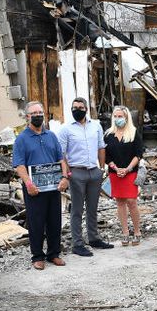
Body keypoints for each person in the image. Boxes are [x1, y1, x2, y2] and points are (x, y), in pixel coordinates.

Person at [13, 101, 69, 270]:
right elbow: (19, 165)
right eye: (34, 113)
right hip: (34, 188)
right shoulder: (21, 139)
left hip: (53, 186)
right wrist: (28, 183)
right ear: (27, 116)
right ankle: (37, 256)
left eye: (40, 112)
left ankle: (54, 253)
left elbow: (61, 159)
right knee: (36, 222)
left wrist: (65, 177)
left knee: (54, 220)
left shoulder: (51, 136)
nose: (38, 115)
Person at [59, 96, 113, 257]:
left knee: (92, 208)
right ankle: (77, 243)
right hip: (76, 172)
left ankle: (94, 238)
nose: (77, 110)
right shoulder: (65, 129)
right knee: (77, 209)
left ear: (86, 109)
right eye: (74, 107)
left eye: (80, 108)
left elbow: (101, 147)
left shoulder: (95, 126)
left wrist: (101, 168)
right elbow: (61, 154)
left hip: (94, 172)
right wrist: (68, 173)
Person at [104, 105, 145, 246]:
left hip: (130, 172)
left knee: (132, 201)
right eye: (115, 116)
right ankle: (125, 232)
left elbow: (138, 154)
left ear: (126, 117)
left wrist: (127, 169)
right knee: (120, 202)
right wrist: (115, 168)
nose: (117, 119)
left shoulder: (133, 133)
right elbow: (106, 156)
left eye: (120, 116)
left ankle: (137, 231)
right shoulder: (108, 135)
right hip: (115, 173)